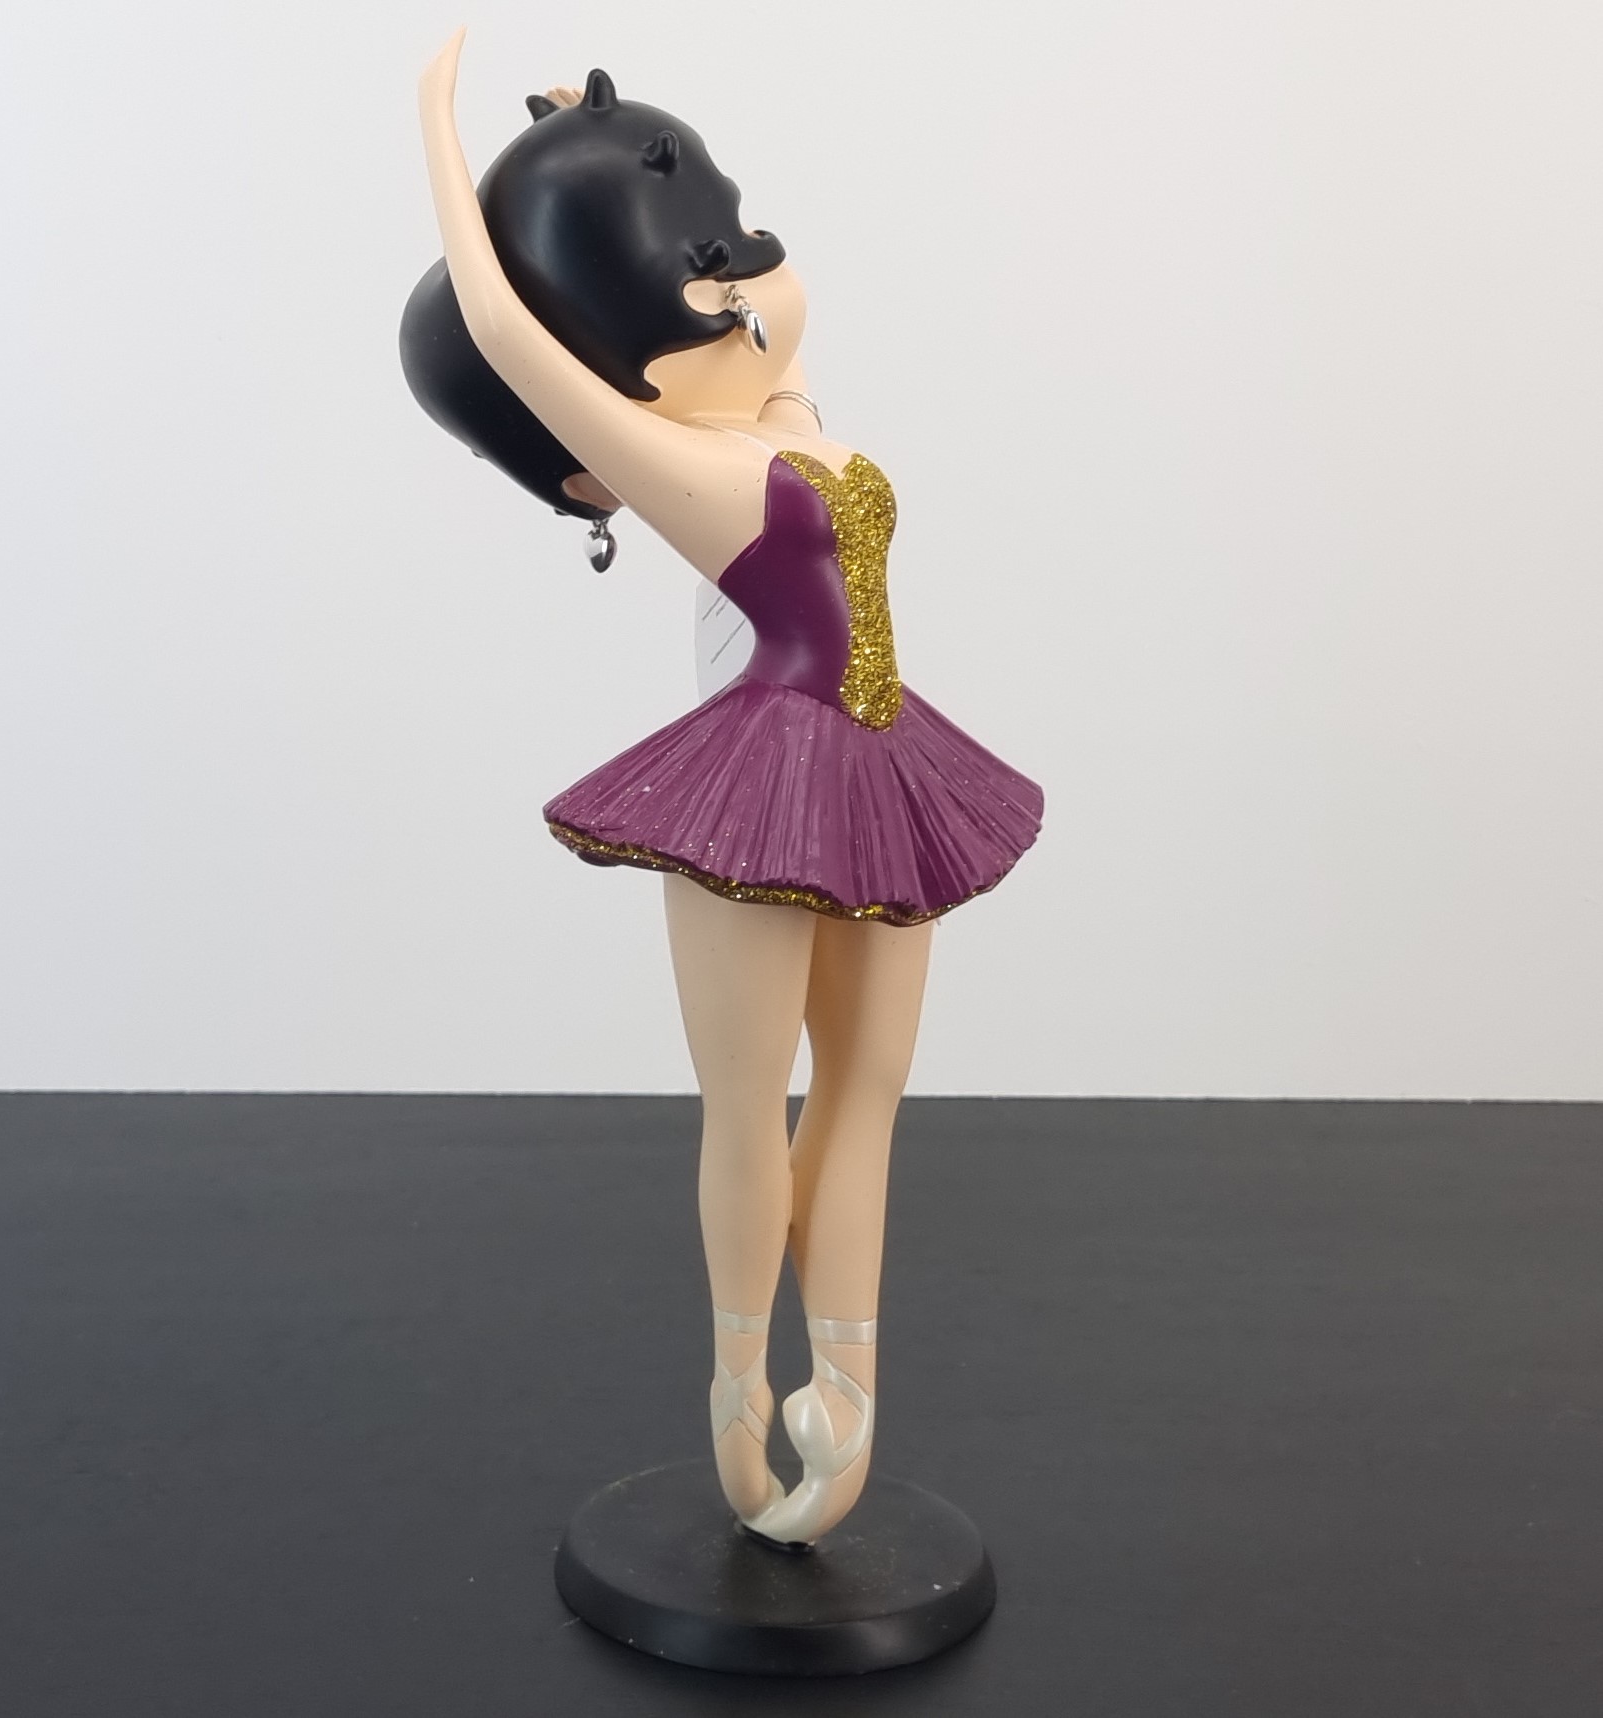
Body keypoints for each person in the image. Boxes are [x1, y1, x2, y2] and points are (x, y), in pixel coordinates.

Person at [413, 29, 1044, 1546]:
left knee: (868, 1091)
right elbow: (502, 331)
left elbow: (780, 349)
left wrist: (607, 155)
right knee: (751, 1102)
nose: (750, 290)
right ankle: (737, 1386)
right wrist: (441, 139)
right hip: (767, 778)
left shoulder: (781, 427)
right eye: (709, 278)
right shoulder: (686, 468)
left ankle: (851, 1387)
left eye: (736, 244)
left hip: (884, 753)